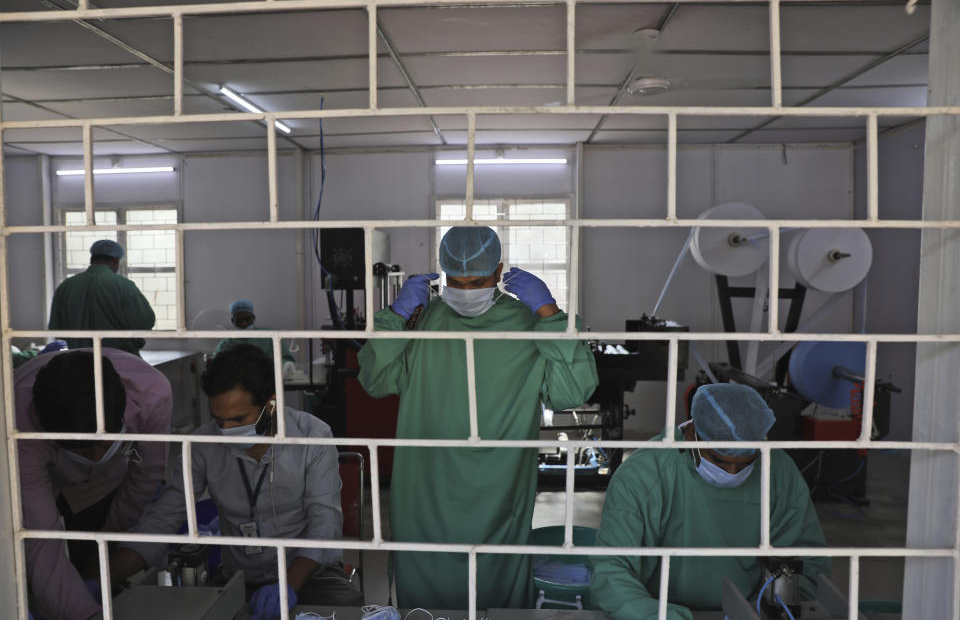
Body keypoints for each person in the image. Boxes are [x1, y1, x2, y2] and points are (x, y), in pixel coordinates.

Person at [358, 226, 599, 609]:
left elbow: (572, 391)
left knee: (496, 586)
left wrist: (550, 314)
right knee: (425, 590)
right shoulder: (421, 322)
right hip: (426, 485)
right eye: (456, 281)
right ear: (441, 273)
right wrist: (394, 317)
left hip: (500, 486)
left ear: (500, 271)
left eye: (478, 281)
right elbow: (375, 380)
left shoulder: (527, 324)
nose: (466, 291)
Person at [107, 344, 357, 620]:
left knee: (345, 612)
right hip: (238, 578)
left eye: (239, 419)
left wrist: (286, 586)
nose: (226, 432)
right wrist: (99, 581)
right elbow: (163, 518)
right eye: (219, 420)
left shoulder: (313, 437)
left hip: (312, 575)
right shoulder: (203, 446)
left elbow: (325, 522)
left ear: (271, 403)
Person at [590, 383, 830, 620]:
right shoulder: (643, 475)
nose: (733, 472)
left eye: (745, 463)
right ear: (693, 433)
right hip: (659, 610)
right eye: (720, 461)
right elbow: (612, 569)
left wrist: (764, 610)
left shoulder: (778, 471)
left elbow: (805, 559)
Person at [15, 348, 172, 620]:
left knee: (91, 556)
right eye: (86, 453)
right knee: (43, 571)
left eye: (103, 445)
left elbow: (144, 477)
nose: (98, 458)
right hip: (45, 483)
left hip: (110, 484)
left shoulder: (152, 393)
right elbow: (41, 539)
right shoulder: (18, 422)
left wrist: (107, 542)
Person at [48, 239, 156, 356]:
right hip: (120, 358)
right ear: (115, 261)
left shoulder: (66, 286)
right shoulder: (123, 285)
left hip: (78, 359)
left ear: (91, 259)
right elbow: (144, 322)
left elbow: (56, 328)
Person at [213, 299, 296, 372]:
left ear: (253, 318)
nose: (244, 323)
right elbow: (216, 361)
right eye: (239, 320)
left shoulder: (270, 336)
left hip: (267, 381)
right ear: (232, 321)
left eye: (247, 319)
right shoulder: (227, 342)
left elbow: (287, 358)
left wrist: (282, 364)